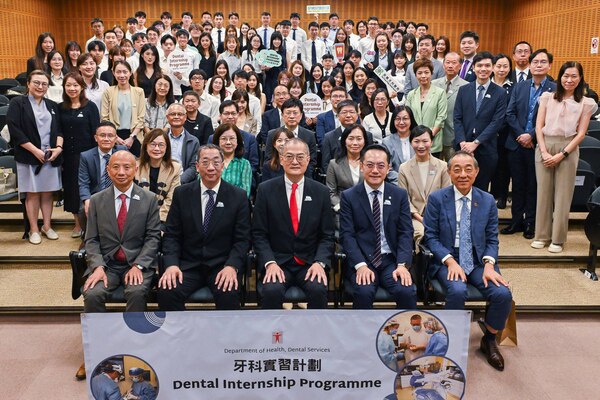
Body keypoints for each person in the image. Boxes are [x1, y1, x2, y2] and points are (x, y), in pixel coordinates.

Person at [423, 151, 513, 371]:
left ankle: (489, 340)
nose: (462, 174)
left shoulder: (487, 200)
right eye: (457, 169)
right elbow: (430, 237)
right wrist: (449, 261)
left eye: (468, 169)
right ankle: (450, 340)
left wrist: (489, 264)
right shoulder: (437, 199)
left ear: (477, 172)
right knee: (457, 290)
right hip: (447, 258)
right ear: (449, 172)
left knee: (502, 294)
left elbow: (492, 238)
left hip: (478, 259)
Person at [159, 144, 251, 310]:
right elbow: (172, 235)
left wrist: (232, 266)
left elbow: (242, 239)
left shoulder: (238, 196)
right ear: (197, 166)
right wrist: (171, 265)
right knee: (168, 290)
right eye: (205, 162)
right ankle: (180, 329)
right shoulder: (182, 194)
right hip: (188, 266)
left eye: (216, 162)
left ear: (222, 166)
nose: (210, 167)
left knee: (228, 292)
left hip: (221, 265)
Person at [253, 138, 335, 309]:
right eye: (289, 156)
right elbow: (259, 234)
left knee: (318, 289)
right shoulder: (265, 190)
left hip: (309, 262)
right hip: (278, 262)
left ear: (308, 159)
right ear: (281, 159)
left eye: (300, 157)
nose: (295, 161)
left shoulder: (321, 192)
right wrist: (270, 263)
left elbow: (327, 236)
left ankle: (316, 328)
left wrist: (319, 263)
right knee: (272, 290)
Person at [531, 61, 598, 253]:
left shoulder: (586, 103)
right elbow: (538, 126)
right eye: (566, 76)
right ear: (560, 77)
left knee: (563, 195)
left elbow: (581, 133)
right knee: (543, 193)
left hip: (568, 148)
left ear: (580, 78)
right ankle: (541, 235)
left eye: (574, 76)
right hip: (545, 145)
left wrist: (562, 154)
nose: (569, 80)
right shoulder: (547, 97)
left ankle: (558, 239)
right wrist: (544, 151)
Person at [83, 150, 161, 313]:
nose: (121, 172)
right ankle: (101, 331)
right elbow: (91, 239)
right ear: (108, 170)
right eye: (116, 167)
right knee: (92, 293)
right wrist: (98, 266)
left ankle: (135, 330)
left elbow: (153, 238)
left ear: (135, 169)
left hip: (137, 263)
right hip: (107, 264)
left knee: (136, 292)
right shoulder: (96, 200)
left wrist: (139, 265)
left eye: (127, 167)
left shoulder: (149, 199)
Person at [340, 144, 416, 309]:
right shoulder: (348, 196)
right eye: (370, 165)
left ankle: (405, 327)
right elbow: (347, 235)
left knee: (406, 290)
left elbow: (405, 232)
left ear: (388, 168)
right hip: (364, 259)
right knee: (364, 290)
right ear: (361, 167)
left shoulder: (399, 195)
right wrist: (360, 265)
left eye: (381, 166)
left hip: (391, 261)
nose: (375, 170)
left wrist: (402, 265)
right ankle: (362, 328)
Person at [503, 49, 556, 239]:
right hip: (516, 144)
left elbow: (552, 118)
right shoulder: (520, 86)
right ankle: (516, 221)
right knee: (517, 185)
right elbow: (510, 113)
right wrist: (521, 135)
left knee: (534, 186)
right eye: (535, 62)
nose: (538, 65)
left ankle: (530, 223)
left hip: (538, 144)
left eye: (543, 62)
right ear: (530, 65)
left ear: (550, 65)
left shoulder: (555, 89)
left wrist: (531, 136)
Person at [7, 70, 63, 245]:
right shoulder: (18, 103)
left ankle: (47, 226)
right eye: (36, 83)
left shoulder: (52, 105)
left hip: (49, 156)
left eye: (44, 84)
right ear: (28, 84)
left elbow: (59, 130)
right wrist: (35, 151)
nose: (40, 86)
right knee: (32, 193)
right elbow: (15, 129)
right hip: (28, 155)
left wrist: (58, 148)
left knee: (47, 193)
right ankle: (34, 229)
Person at [453, 51, 507, 191]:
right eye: (479, 65)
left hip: (486, 148)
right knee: (461, 186)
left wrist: (476, 143)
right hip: (463, 147)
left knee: (481, 189)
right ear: (473, 68)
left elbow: (497, 122)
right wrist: (462, 142)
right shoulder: (464, 90)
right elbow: (457, 117)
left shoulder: (500, 93)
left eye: (487, 65)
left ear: (493, 67)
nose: (483, 69)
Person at [59, 72, 100, 238]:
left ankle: (91, 223)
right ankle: (77, 223)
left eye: (75, 85)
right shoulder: (60, 108)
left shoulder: (90, 107)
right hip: (68, 156)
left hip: (87, 155)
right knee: (71, 189)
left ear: (82, 87)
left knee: (88, 188)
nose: (72, 88)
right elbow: (58, 131)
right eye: (68, 85)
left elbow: (96, 132)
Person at [398, 125, 451, 246]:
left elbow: (447, 195)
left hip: (439, 215)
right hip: (415, 217)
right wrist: (420, 218)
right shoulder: (404, 168)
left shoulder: (443, 166)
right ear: (411, 142)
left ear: (431, 142)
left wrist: (434, 218)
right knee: (422, 233)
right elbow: (404, 199)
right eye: (416, 141)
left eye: (425, 141)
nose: (421, 146)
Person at [78, 122, 127, 219]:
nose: (106, 139)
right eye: (102, 135)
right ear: (96, 138)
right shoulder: (86, 156)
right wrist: (87, 200)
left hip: (120, 194)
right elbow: (83, 183)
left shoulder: (122, 152)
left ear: (115, 139)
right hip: (96, 196)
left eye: (110, 136)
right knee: (84, 209)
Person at [135, 129, 181, 224]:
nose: (157, 149)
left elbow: (171, 199)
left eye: (161, 145)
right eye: (153, 144)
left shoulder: (175, 168)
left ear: (167, 148)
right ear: (145, 146)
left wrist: (157, 220)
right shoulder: (135, 166)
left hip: (163, 219)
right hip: (137, 218)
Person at [101, 61, 146, 157]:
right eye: (118, 72)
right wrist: (115, 137)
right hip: (113, 137)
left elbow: (141, 118)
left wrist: (132, 137)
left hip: (134, 136)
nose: (122, 75)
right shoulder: (108, 92)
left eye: (125, 72)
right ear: (113, 73)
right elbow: (104, 118)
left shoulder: (139, 92)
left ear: (130, 73)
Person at [405, 58, 448, 158]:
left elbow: (441, 118)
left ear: (431, 74)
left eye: (426, 72)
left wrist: (428, 137)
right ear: (415, 75)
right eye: (419, 73)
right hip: (415, 143)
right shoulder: (411, 94)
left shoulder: (440, 93)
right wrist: (417, 138)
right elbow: (408, 116)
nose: (423, 76)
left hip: (433, 142)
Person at [264, 98, 317, 176]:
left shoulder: (309, 135)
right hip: (277, 176)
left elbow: (312, 162)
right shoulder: (272, 134)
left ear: (301, 115)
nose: (291, 116)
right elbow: (269, 159)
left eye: (295, 113)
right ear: (282, 115)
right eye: (288, 113)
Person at [431, 52, 469, 162]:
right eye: (447, 62)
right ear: (443, 65)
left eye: (454, 63)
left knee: (453, 166)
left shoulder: (466, 86)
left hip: (453, 136)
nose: (450, 66)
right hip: (435, 135)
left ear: (460, 66)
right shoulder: (433, 84)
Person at [321, 99, 374, 172]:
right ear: (338, 116)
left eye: (352, 112)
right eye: (344, 112)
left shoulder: (367, 135)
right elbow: (325, 164)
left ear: (357, 115)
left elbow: (370, 160)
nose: (348, 115)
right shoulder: (329, 137)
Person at [490, 53, 515, 210]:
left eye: (505, 66)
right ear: (493, 67)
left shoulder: (513, 87)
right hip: (486, 134)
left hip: (505, 133)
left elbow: (512, 111)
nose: (501, 69)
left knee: (503, 167)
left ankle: (502, 196)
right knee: (489, 167)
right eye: (498, 66)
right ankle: (490, 196)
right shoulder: (486, 85)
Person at [326, 124, 366, 212]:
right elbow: (331, 192)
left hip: (366, 209)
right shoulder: (334, 164)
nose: (355, 143)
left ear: (364, 141)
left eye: (359, 139)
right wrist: (342, 207)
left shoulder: (370, 163)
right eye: (351, 139)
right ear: (344, 141)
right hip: (342, 210)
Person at [212, 123, 252, 197]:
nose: (228, 142)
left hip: (237, 203)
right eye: (224, 139)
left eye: (232, 138)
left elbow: (245, 193)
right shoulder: (210, 163)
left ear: (237, 141)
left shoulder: (244, 164)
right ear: (218, 141)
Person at [165, 103, 200, 184]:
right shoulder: (160, 138)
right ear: (167, 117)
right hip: (161, 179)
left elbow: (193, 166)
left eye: (180, 114)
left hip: (183, 182)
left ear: (185, 117)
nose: (176, 117)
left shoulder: (193, 141)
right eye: (173, 114)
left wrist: (179, 181)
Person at [382, 105, 417, 177]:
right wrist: (402, 180)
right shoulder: (387, 142)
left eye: (405, 118)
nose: (401, 122)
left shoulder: (418, 139)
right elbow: (387, 168)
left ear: (411, 120)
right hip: (396, 181)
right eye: (398, 119)